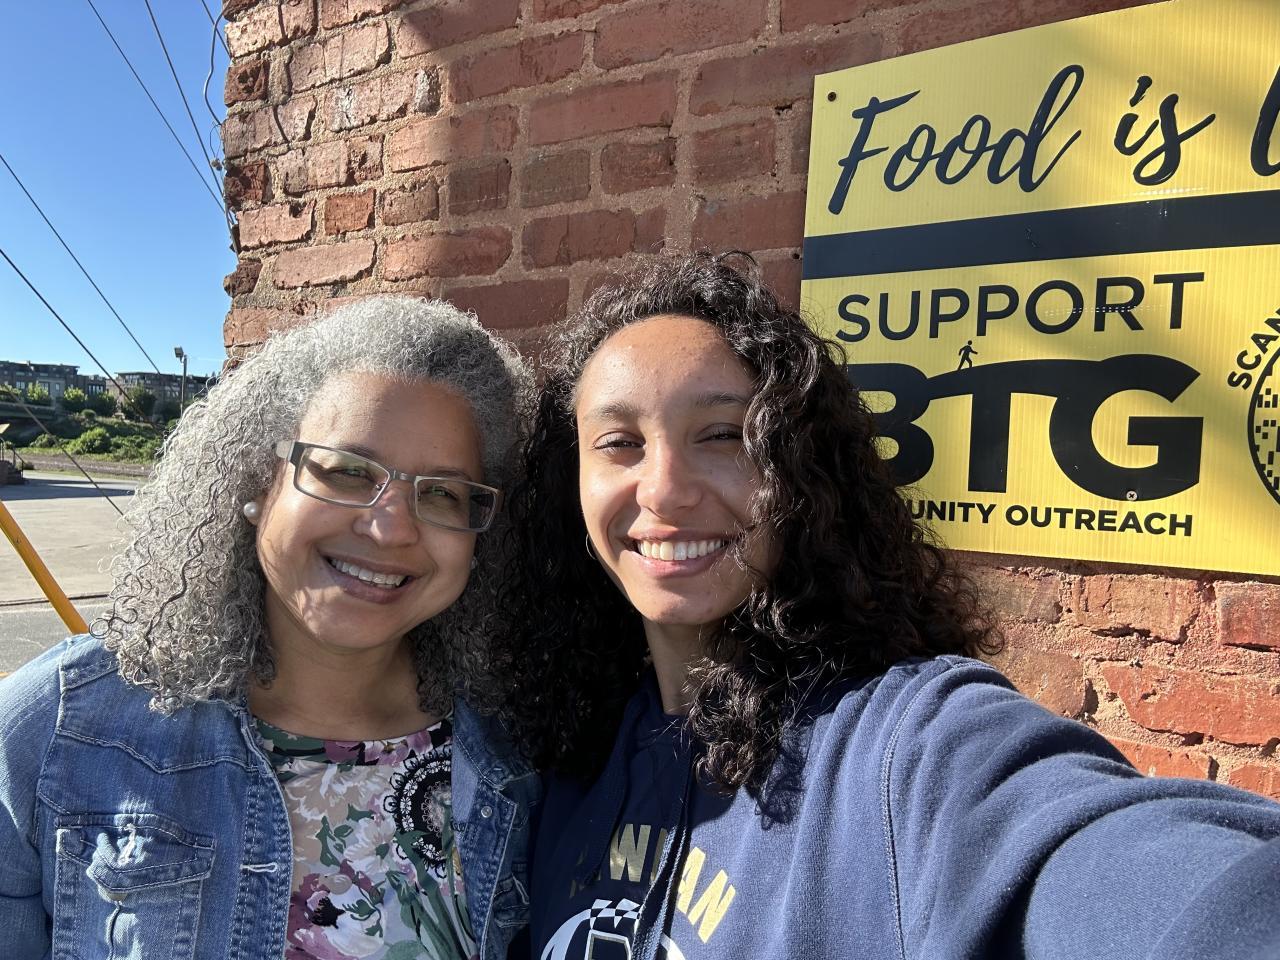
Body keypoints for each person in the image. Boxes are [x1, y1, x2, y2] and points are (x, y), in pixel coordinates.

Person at [500, 253, 1280, 960]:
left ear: (799, 471)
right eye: (620, 443)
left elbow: (1133, 876)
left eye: (723, 435)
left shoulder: (901, 752)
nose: (664, 489)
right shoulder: (555, 758)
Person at [0, 296, 537, 960]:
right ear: (259, 483)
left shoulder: (513, 753)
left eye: (443, 493)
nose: (390, 528)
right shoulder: (57, 730)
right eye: (347, 472)